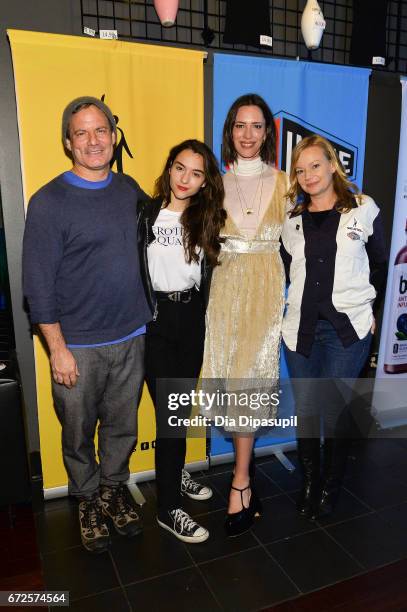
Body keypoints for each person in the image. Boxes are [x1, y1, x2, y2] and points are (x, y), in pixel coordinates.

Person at [23, 96, 151, 553]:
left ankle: (113, 492)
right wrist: (56, 348)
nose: (94, 141)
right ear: (67, 142)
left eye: (102, 131)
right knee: (77, 434)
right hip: (76, 346)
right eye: (83, 133)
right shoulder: (48, 202)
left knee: (122, 427)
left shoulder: (130, 188)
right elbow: (37, 285)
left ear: (114, 138)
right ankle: (85, 500)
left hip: (132, 336)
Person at [281, 134, 387, 519]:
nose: (308, 175)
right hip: (301, 331)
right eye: (300, 170)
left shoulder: (363, 209)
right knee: (308, 409)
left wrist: (373, 307)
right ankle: (310, 482)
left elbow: (379, 264)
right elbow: (287, 271)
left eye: (314, 165)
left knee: (337, 412)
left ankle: (331, 484)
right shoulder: (290, 222)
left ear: (331, 165)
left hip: (348, 331)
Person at [201, 94, 288, 536]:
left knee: (253, 378)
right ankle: (244, 472)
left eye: (256, 126)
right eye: (240, 125)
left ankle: (240, 481)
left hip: (265, 288)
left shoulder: (286, 181)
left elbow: (307, 241)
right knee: (233, 380)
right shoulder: (213, 182)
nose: (248, 134)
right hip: (225, 287)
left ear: (268, 132)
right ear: (229, 131)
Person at [138, 139, 226, 543]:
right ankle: (168, 508)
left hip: (190, 319)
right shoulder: (145, 213)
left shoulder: (208, 219)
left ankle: (174, 475)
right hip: (154, 319)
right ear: (169, 168)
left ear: (206, 181)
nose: (185, 178)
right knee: (170, 416)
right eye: (179, 168)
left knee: (175, 412)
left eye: (196, 172)